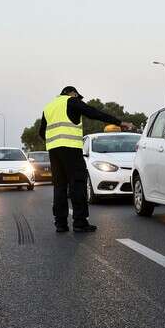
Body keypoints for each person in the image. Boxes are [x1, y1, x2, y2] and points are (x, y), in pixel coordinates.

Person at [39, 86, 133, 233]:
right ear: (73, 93)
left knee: (60, 186)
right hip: (71, 148)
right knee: (78, 183)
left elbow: (41, 131)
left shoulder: (49, 107)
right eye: (77, 96)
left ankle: (60, 224)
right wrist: (119, 122)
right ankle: (80, 222)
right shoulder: (72, 101)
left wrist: (54, 142)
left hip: (54, 150)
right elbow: (93, 113)